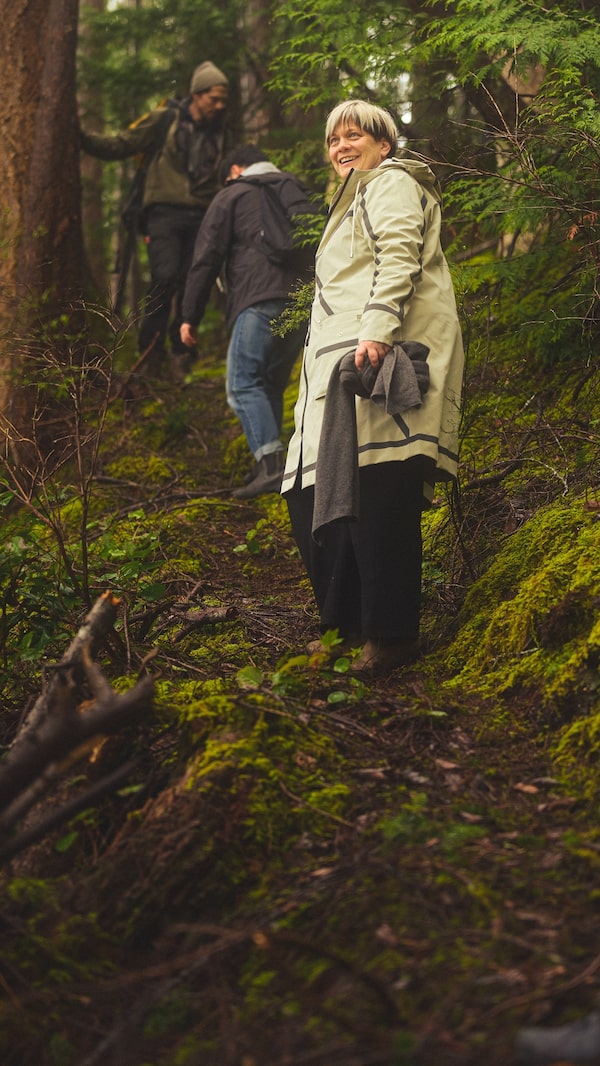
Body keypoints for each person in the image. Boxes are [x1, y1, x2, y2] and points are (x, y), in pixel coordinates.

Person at [280, 99, 464, 675]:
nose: (342, 147)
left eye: (354, 135)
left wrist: (380, 331)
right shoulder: (351, 198)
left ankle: (390, 634)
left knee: (380, 489)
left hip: (374, 363)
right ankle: (343, 628)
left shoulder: (390, 182)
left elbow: (399, 255)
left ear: (384, 145)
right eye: (334, 140)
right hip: (333, 373)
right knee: (310, 491)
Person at [180, 144, 322, 498]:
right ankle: (273, 464)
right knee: (269, 385)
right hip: (302, 303)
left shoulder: (233, 194)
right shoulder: (294, 187)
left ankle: (271, 464)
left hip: (257, 300)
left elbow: (206, 257)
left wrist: (189, 316)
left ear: (235, 168)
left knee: (242, 384)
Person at [80, 61, 230, 371]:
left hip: (203, 216)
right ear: (196, 94)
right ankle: (149, 352)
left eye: (223, 99)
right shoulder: (165, 119)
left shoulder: (221, 131)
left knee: (194, 284)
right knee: (164, 276)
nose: (220, 105)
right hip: (163, 213)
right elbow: (124, 143)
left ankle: (182, 349)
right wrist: (81, 138)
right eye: (214, 98)